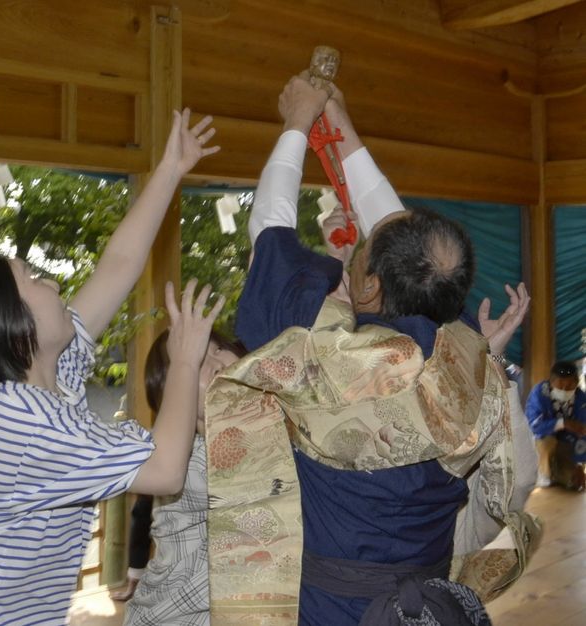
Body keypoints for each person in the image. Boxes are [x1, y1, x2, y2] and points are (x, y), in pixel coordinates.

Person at [203, 77, 535, 625]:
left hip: (333, 609)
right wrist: (343, 129)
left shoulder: (321, 349)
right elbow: (411, 245)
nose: (347, 263)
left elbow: (269, 233)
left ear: (372, 287)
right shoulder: (466, 354)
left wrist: (295, 124)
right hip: (431, 603)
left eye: (356, 262)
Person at [0, 108, 222, 626]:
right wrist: (184, 359)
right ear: (15, 326)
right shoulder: (20, 421)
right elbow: (165, 468)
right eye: (35, 278)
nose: (55, 284)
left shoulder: (49, 369)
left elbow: (119, 265)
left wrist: (171, 169)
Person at [124, 330, 245, 626]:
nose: (217, 363)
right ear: (173, 395)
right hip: (173, 615)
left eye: (218, 349)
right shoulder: (192, 457)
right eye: (196, 363)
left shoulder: (245, 433)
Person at [525, 360, 586, 489]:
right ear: (551, 382)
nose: (564, 390)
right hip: (543, 442)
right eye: (560, 385)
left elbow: (582, 432)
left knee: (571, 482)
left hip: (569, 444)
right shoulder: (539, 394)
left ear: (577, 383)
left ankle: (562, 475)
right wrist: (563, 423)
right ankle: (544, 475)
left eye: (570, 386)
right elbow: (534, 426)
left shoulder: (581, 400)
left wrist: (580, 464)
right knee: (547, 443)